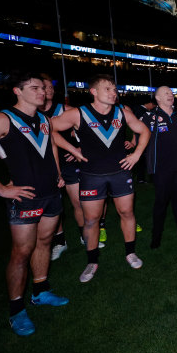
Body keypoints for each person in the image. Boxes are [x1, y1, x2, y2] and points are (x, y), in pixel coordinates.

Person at [0, 73, 69, 336]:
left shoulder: (44, 119)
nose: (41, 92)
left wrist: (57, 174)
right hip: (25, 198)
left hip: (51, 194)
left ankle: (41, 291)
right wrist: (0, 188)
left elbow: (51, 146)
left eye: (43, 88)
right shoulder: (2, 119)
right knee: (22, 252)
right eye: (34, 88)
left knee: (45, 243)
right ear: (17, 91)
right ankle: (16, 309)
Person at [51, 74, 150, 283]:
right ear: (93, 92)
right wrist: (73, 149)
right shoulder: (79, 114)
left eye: (114, 89)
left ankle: (130, 253)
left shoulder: (122, 112)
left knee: (127, 213)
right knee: (92, 220)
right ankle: (92, 261)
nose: (113, 93)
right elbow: (49, 128)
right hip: (91, 176)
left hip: (120, 173)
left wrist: (137, 154)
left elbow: (144, 130)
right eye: (108, 89)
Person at [39, 76, 91, 261]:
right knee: (54, 207)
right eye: (44, 87)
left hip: (69, 163)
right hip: (44, 166)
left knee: (78, 201)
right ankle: (60, 242)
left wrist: (79, 148)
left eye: (50, 86)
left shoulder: (65, 110)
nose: (49, 90)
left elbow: (90, 131)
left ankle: (84, 236)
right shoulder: (30, 114)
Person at [141, 86, 177, 249]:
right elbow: (140, 137)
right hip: (161, 169)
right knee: (161, 202)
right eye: (166, 93)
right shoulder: (150, 117)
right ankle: (156, 236)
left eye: (171, 93)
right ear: (157, 98)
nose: (170, 95)